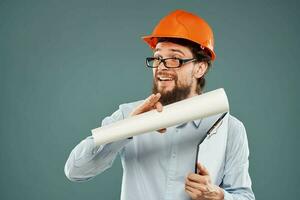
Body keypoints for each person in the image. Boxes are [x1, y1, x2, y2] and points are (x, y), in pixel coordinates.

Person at [64, 10, 255, 200]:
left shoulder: (230, 129)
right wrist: (126, 129)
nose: (161, 66)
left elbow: (244, 196)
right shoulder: (129, 115)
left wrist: (218, 196)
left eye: (174, 59)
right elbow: (75, 170)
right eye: (157, 57)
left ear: (200, 68)